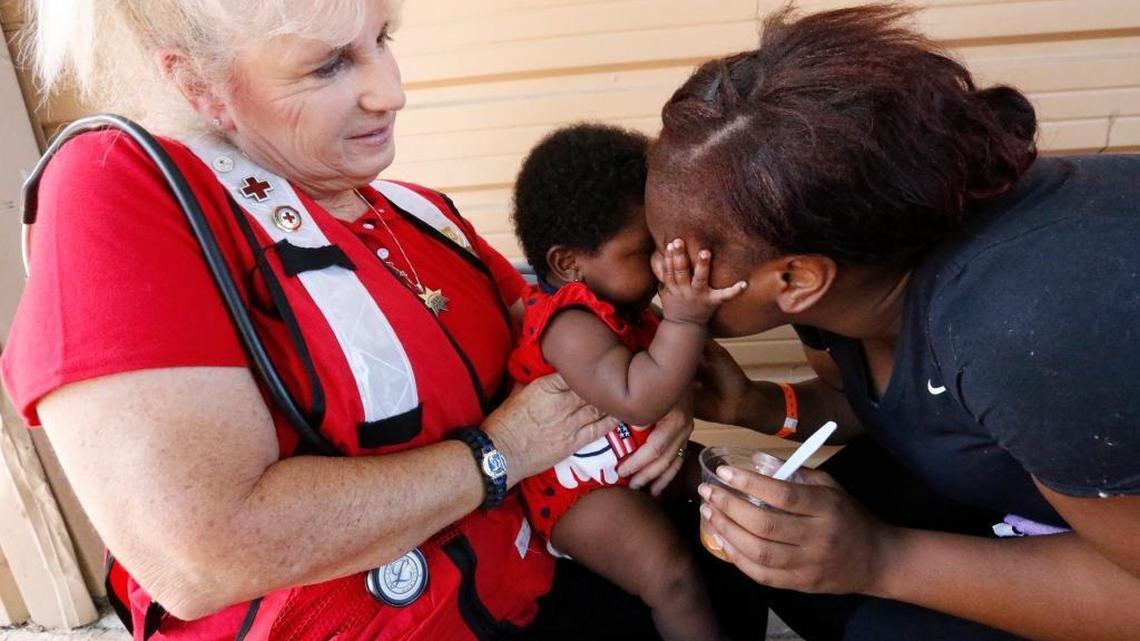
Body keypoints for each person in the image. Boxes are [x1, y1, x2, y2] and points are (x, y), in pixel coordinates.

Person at [0, 2, 699, 640]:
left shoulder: (419, 213)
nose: (391, 92)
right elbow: (201, 554)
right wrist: (498, 453)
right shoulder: (117, 188)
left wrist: (658, 397)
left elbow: (573, 339)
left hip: (531, 584)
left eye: (382, 39)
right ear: (197, 85)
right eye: (328, 63)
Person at [644, 5, 1140, 641]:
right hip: (1057, 497)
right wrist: (758, 406)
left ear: (795, 280)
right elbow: (883, 407)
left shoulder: (1027, 332)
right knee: (779, 554)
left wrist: (879, 559)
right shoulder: (841, 250)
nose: (659, 270)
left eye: (677, 252)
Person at [508, 124, 745, 641]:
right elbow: (638, 400)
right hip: (580, 493)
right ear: (568, 263)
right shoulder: (567, 327)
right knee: (672, 576)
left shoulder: (616, 303)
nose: (665, 266)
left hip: (632, 461)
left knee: (734, 484)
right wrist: (685, 320)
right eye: (647, 250)